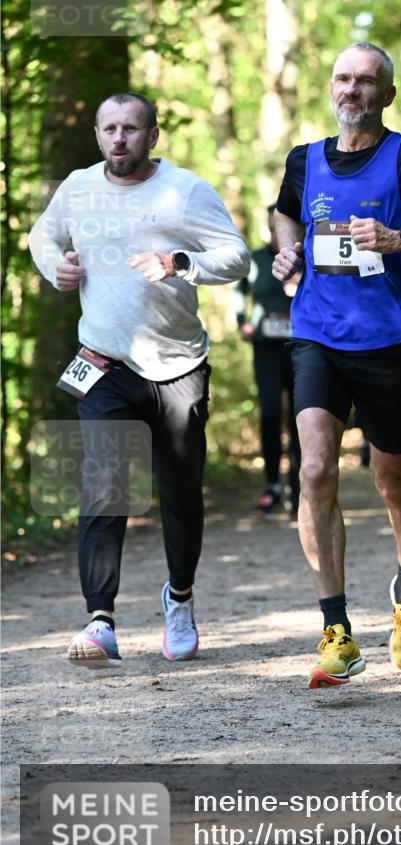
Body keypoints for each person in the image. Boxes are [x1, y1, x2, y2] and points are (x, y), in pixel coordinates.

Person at [272, 43, 401, 689]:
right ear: (330, 88)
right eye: (343, 78)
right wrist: (287, 256)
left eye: (366, 81)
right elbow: (283, 212)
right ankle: (334, 628)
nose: (352, 90)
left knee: (392, 482)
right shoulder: (304, 159)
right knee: (312, 469)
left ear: (386, 95)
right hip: (317, 336)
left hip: (389, 343)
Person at [29, 92, 250, 668]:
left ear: (152, 135)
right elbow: (42, 235)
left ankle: (179, 598)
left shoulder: (186, 190)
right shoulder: (77, 187)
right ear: (99, 135)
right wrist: (54, 265)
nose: (119, 138)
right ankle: (99, 619)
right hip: (104, 364)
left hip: (178, 366)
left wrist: (181, 263)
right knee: (104, 488)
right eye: (109, 129)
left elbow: (236, 257)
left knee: (180, 492)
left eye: (131, 128)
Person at [234, 204, 301, 517]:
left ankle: (299, 487)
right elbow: (239, 289)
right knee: (271, 414)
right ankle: (272, 484)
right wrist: (240, 321)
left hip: (301, 347)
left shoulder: (306, 256)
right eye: (275, 223)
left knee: (301, 420)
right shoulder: (257, 258)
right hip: (266, 348)